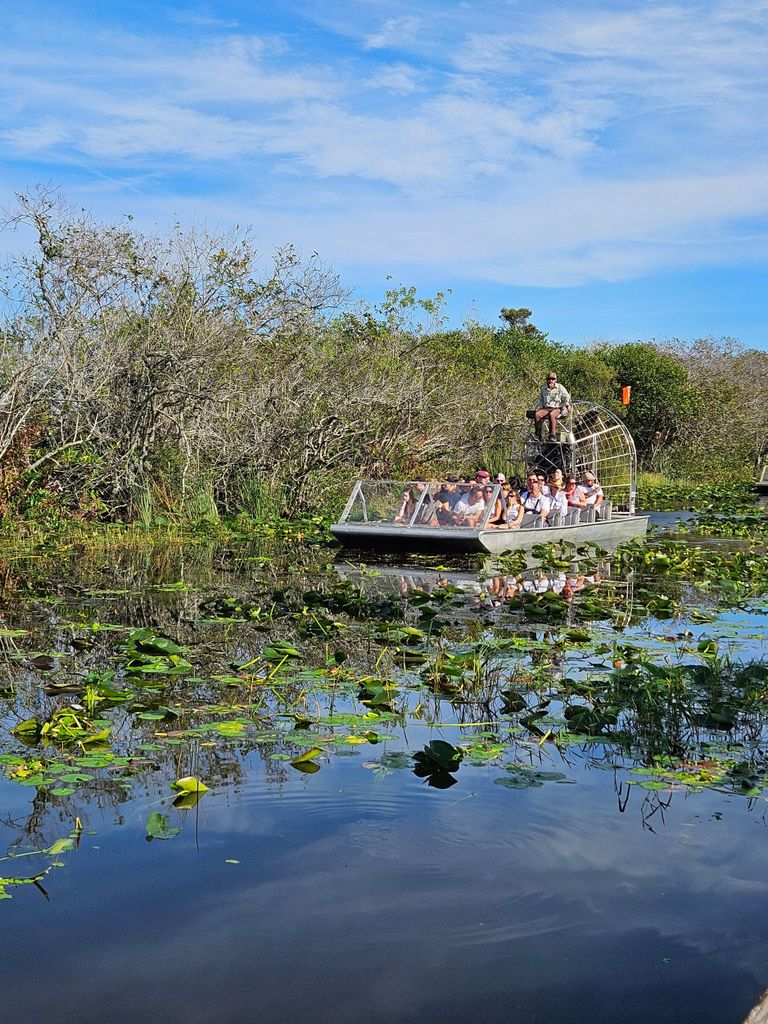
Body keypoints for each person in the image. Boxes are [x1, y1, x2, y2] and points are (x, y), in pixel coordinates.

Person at [534, 372, 571, 441]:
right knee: (537, 414)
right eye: (549, 379)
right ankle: (538, 435)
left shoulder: (560, 387)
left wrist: (565, 404)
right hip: (546, 408)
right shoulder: (543, 388)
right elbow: (541, 399)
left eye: (552, 379)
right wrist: (542, 406)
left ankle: (552, 435)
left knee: (552, 414)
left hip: (557, 408)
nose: (550, 381)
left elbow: (567, 397)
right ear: (547, 380)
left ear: (555, 380)